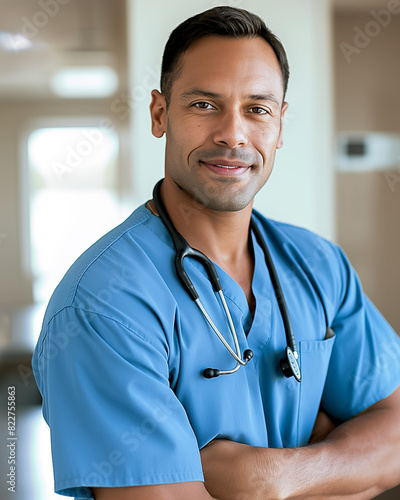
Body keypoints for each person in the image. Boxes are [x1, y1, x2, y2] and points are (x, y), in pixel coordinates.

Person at [32, 6, 400, 500]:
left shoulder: (318, 265)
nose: (233, 133)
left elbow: (395, 433)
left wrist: (272, 479)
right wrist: (345, 462)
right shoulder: (102, 307)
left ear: (280, 125)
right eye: (204, 105)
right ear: (159, 113)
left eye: (257, 108)